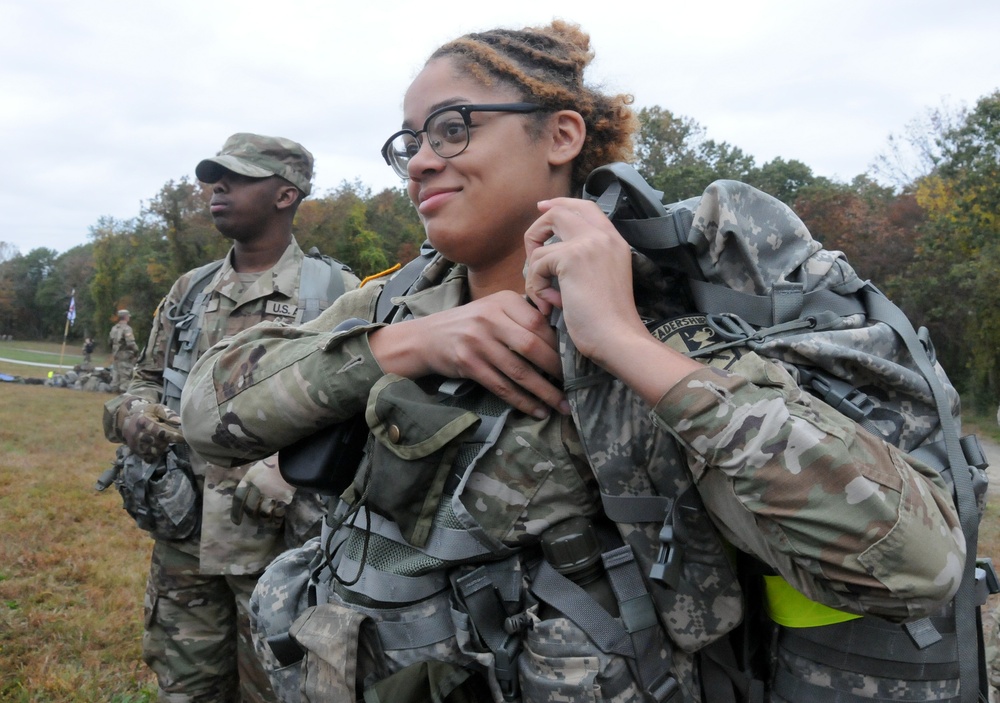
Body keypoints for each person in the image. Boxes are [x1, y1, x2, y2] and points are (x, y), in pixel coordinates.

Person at [180, 23, 965, 703]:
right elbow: (209, 413)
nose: (421, 160)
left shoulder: (674, 323)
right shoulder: (399, 302)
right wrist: (417, 342)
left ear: (560, 136)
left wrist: (624, 341)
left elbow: (915, 567)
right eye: (410, 140)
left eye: (452, 127)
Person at [102, 132, 359, 703]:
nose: (217, 188)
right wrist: (134, 414)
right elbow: (142, 378)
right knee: (186, 687)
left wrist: (286, 470)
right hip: (183, 534)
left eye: (239, 177)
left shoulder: (334, 291)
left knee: (277, 687)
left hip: (281, 549)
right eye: (215, 177)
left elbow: (359, 414)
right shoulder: (190, 291)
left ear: (286, 194)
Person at [108, 309, 138, 392]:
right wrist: (136, 351)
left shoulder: (114, 328)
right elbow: (130, 343)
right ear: (125, 317)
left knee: (116, 373)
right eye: (128, 316)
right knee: (125, 374)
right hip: (125, 355)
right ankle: (123, 391)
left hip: (116, 354)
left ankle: (114, 389)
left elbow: (110, 342)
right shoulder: (127, 329)